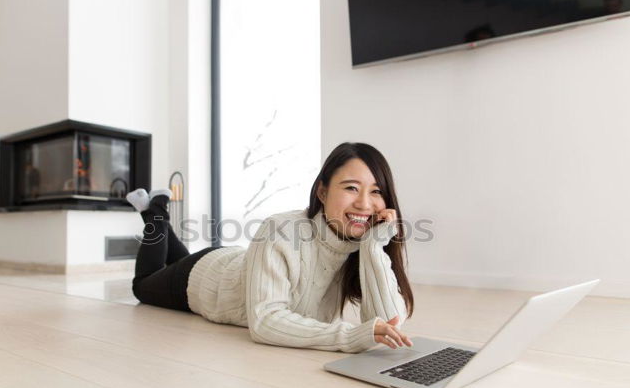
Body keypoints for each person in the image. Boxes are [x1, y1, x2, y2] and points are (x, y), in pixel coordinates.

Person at [128, 142, 415, 353]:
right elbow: (266, 321)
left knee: (177, 258)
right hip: (203, 278)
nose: (365, 204)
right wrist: (350, 337)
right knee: (143, 285)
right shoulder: (280, 228)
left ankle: (157, 212)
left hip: (237, 263)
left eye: (376, 191)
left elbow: (390, 324)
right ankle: (155, 211)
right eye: (351, 188)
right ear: (323, 191)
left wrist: (374, 247)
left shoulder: (361, 243)